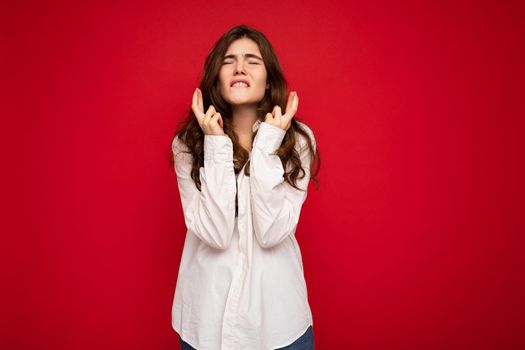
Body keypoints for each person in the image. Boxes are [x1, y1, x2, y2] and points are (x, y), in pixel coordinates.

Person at [170, 24, 320, 350]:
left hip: (279, 325)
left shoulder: (299, 142)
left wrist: (267, 145)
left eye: (252, 60)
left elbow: (271, 232)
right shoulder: (187, 145)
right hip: (205, 326)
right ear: (216, 78)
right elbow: (215, 233)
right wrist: (214, 143)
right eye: (229, 61)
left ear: (268, 81)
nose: (240, 67)